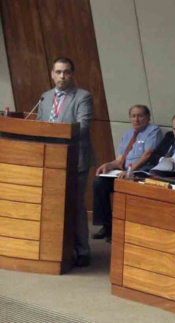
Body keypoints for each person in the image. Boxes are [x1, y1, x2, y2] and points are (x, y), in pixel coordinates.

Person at [37, 57, 94, 267]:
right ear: (52, 74)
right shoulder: (45, 97)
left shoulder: (83, 96)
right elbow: (39, 127)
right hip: (49, 161)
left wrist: (57, 135)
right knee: (52, 204)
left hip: (74, 160)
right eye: (59, 72)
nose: (62, 76)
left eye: (67, 72)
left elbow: (83, 126)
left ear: (73, 74)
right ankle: (55, 246)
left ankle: (82, 250)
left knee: (75, 205)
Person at [92, 105, 162, 242]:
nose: (136, 119)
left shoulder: (153, 131)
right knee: (99, 183)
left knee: (124, 187)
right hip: (123, 172)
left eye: (140, 116)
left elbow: (147, 155)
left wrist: (129, 171)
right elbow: (119, 159)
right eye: (133, 116)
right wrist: (108, 165)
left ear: (148, 118)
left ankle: (122, 231)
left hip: (140, 173)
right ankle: (108, 226)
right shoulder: (127, 135)